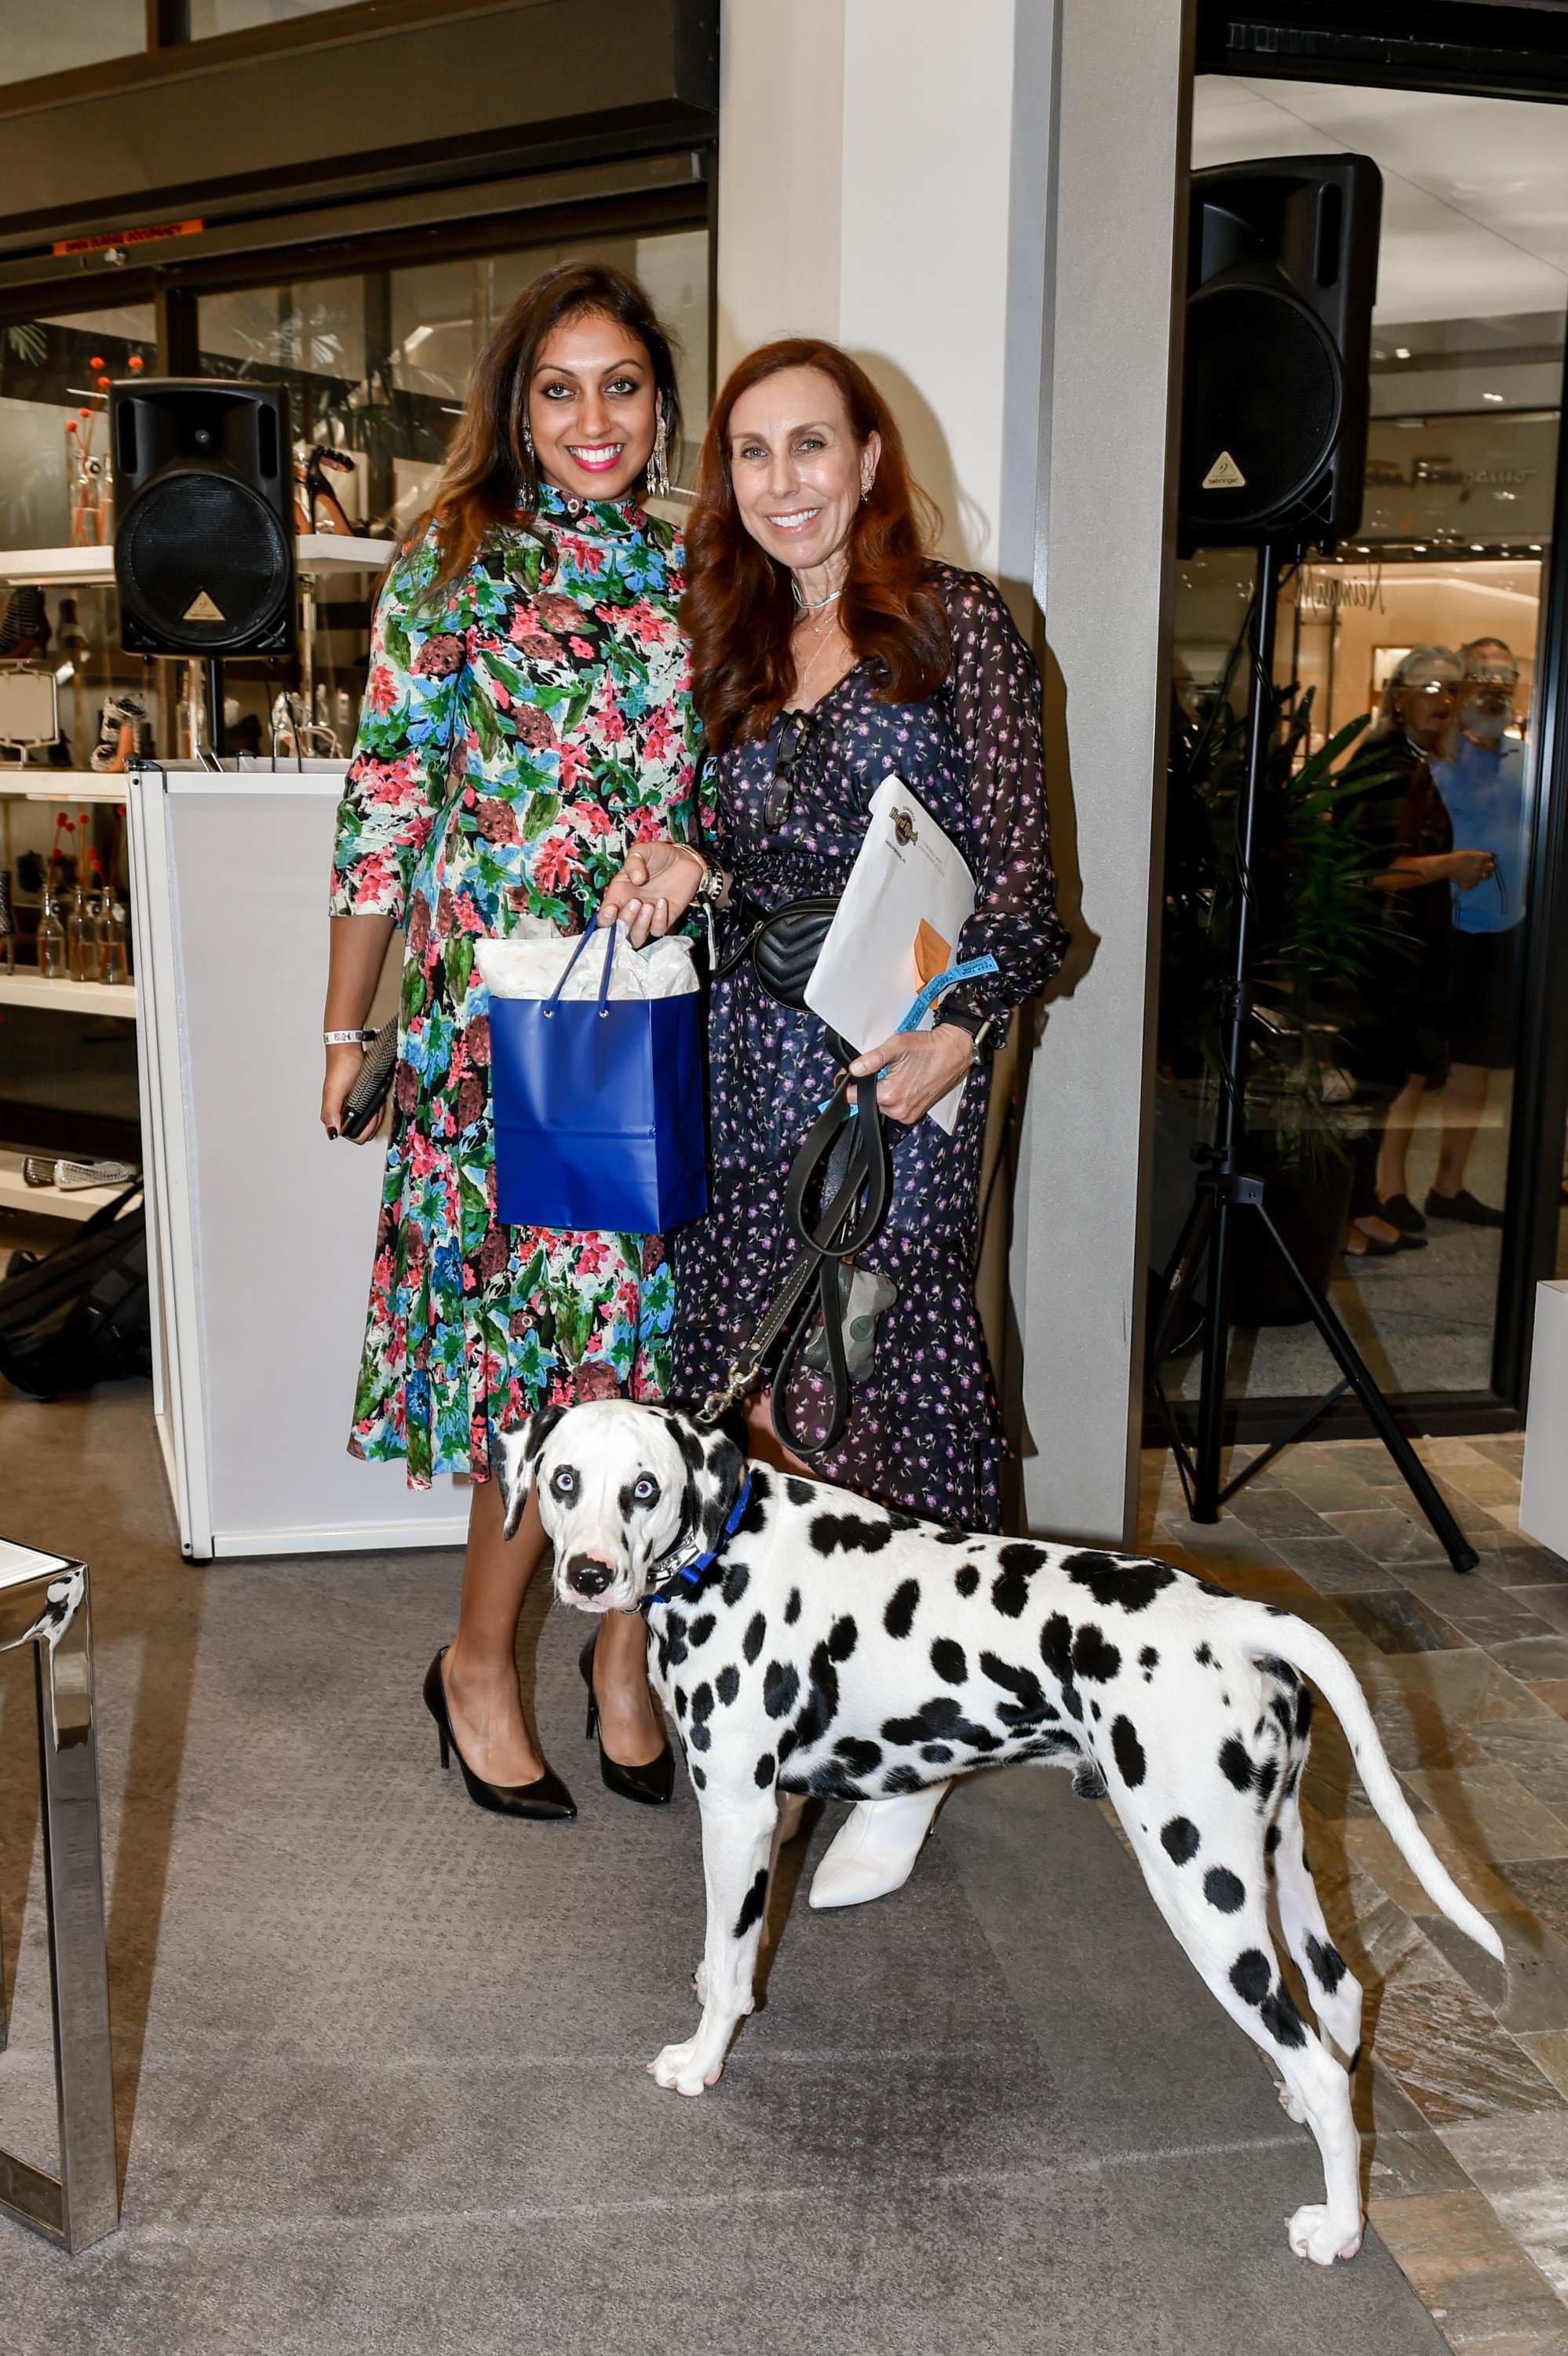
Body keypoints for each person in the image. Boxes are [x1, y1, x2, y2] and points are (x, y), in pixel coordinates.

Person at [600, 337, 1067, 1906]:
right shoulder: (723, 639)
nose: (785, 480)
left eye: (813, 446)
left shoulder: (961, 631)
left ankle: (913, 1751)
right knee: (756, 1409)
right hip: (740, 1066)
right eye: (752, 453)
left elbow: (1024, 891)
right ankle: (814, 1706)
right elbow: (750, 855)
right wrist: (685, 865)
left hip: (889, 1069)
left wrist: (957, 1029)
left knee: (874, 1392)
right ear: (727, 478)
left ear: (869, 460)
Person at [322, 261, 701, 1821]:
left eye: (620, 385)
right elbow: (386, 804)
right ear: (516, 407)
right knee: (538, 1365)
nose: (592, 418)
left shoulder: (701, 574)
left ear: (662, 404)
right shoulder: (453, 564)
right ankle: (482, 1657)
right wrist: (346, 1022)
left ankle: (622, 1660)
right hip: (498, 1036)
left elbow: (735, 793)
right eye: (560, 387)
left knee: (651, 1361)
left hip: (662, 1025)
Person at [1333, 647, 1493, 1251]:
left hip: (1395, 961)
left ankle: (1362, 1206)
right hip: (1371, 961)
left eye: (1451, 690)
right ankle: (1345, 1217)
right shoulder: (1385, 762)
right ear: (1396, 696)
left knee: (1382, 1084)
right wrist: (1449, 866)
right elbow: (1374, 873)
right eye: (1428, 688)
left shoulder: (1411, 762)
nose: (1442, 701)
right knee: (1364, 1090)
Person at [1424, 636, 1530, 1227]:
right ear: (1462, 684)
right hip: (1442, 929)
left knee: (1476, 1064)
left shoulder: (1529, 758)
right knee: (1416, 1065)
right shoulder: (1436, 755)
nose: (1495, 687)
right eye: (1483, 676)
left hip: (1505, 931)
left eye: (1505, 678)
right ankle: (1386, 1194)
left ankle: (1449, 1186)